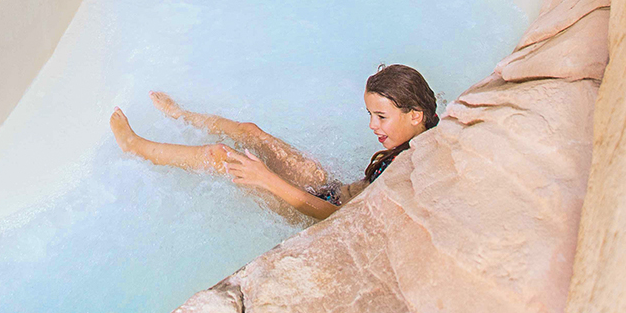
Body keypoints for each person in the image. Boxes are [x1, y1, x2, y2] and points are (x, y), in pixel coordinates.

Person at [110, 64, 440, 221]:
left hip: (317, 215)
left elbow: (336, 220)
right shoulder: (426, 133)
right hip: (335, 191)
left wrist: (266, 179)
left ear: (414, 114)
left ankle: (135, 147)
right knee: (252, 132)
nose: (372, 125)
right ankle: (181, 115)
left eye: (381, 117)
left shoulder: (404, 170)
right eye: (370, 114)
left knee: (220, 157)